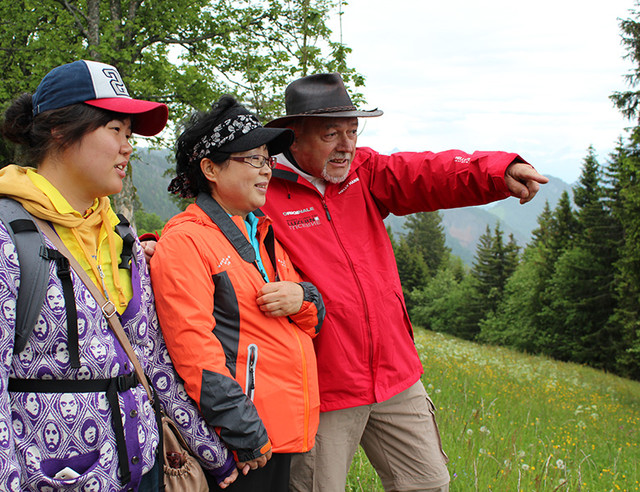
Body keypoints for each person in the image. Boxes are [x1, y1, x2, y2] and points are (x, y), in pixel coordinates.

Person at [260, 72, 550, 492]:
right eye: (331, 134)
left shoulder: (365, 172)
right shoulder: (262, 186)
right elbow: (211, 230)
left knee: (428, 484)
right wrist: (161, 244)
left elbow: (429, 174)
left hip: (394, 374)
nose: (346, 146)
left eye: (352, 131)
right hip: (323, 384)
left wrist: (497, 171)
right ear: (293, 137)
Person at [0, 60, 237, 491]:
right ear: (60, 129)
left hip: (143, 467)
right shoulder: (8, 233)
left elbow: (152, 360)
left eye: (130, 134)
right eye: (115, 130)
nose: (128, 147)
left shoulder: (118, 233)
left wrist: (213, 454)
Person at [149, 95, 326, 492]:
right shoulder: (187, 241)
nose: (266, 171)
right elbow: (194, 350)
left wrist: (303, 297)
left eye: (268, 159)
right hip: (242, 443)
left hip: (281, 433)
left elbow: (312, 319)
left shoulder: (259, 231)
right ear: (210, 168)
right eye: (253, 159)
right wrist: (244, 432)